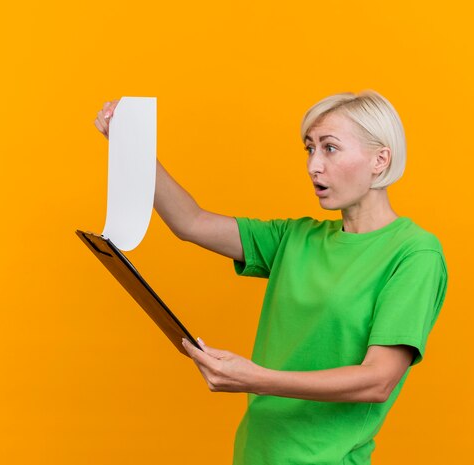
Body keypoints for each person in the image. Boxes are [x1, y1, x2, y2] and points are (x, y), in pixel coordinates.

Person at [94, 91, 448, 465]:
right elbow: (190, 223)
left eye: (330, 148)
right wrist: (129, 147)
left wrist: (255, 378)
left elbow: (378, 380)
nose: (314, 165)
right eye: (309, 148)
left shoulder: (414, 253)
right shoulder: (296, 239)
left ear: (380, 159)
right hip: (255, 453)